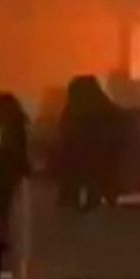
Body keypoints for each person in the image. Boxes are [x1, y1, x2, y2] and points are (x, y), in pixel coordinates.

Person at [56, 76, 127, 209]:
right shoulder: (112, 113)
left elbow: (65, 143)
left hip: (79, 171)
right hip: (108, 170)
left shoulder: (71, 116)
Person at [0, 93, 31, 277]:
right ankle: (12, 263)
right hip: (12, 178)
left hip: (0, 178)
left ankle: (1, 261)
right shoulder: (18, 127)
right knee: (12, 222)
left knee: (2, 219)